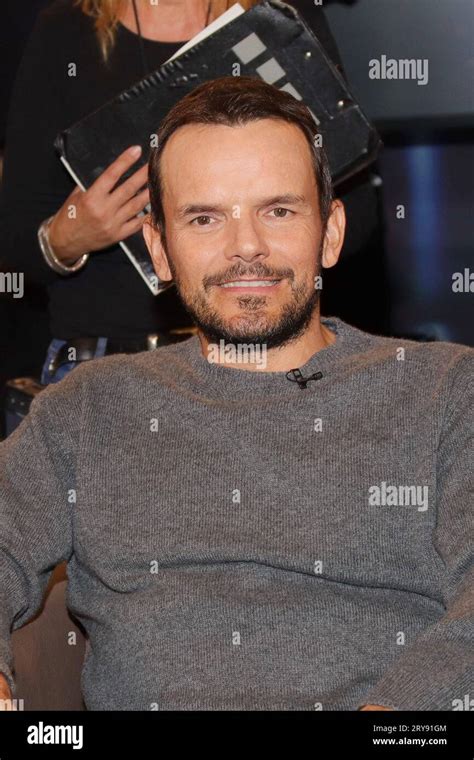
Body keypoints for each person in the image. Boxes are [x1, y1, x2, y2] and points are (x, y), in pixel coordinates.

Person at [0, 75, 471, 712]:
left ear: (331, 231)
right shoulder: (90, 409)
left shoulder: (446, 391)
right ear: (159, 250)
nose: (245, 246)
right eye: (205, 218)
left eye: (278, 211)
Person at [0, 0, 352, 400]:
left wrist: (275, 210)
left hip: (268, 356)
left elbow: (355, 212)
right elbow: (15, 245)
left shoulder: (278, 16)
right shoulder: (67, 29)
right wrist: (70, 236)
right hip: (107, 369)